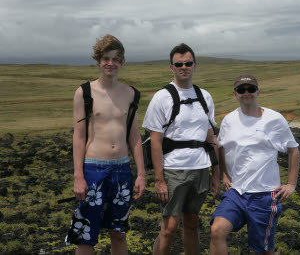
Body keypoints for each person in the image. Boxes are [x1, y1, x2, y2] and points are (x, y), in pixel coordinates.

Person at [65, 34, 146, 255]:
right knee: (86, 236)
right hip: (93, 170)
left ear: (123, 62)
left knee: (119, 233)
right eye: (106, 58)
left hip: (122, 170)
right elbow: (79, 136)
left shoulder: (131, 94)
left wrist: (140, 174)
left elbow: (134, 136)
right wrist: (78, 176)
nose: (111, 63)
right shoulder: (85, 92)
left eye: (116, 59)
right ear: (98, 60)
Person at [142, 43, 220, 255]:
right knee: (169, 228)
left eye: (187, 63)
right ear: (171, 67)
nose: (183, 67)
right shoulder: (162, 97)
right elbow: (155, 142)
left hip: (200, 168)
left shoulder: (205, 96)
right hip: (173, 170)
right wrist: (159, 181)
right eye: (179, 64)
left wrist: (216, 173)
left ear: (195, 65)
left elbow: (211, 136)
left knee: (192, 223)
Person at [210, 74, 300, 255]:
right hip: (237, 192)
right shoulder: (229, 120)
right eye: (241, 90)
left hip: (265, 195)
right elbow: (221, 147)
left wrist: (291, 184)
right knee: (217, 230)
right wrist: (225, 175)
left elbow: (293, 149)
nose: (246, 93)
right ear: (235, 94)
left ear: (258, 92)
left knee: (262, 250)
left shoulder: (274, 119)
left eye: (250, 89)